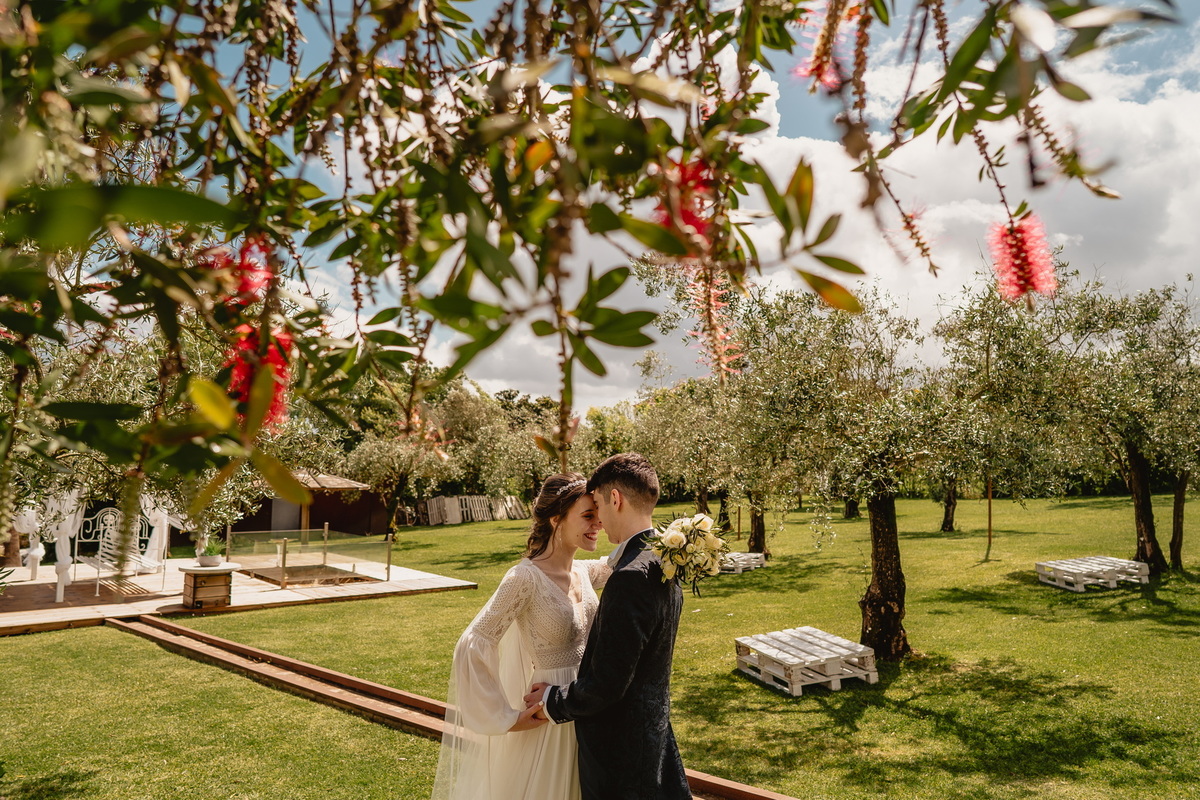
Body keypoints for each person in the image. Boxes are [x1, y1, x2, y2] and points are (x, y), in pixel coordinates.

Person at [430, 472, 610, 800]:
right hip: (549, 721)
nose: (598, 523)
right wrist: (508, 719)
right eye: (588, 515)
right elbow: (472, 644)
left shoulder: (583, 572)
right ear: (556, 519)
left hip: (587, 709)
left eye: (598, 514)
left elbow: (624, 561)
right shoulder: (524, 578)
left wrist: (679, 542)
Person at [525, 453, 691, 799]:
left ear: (615, 499)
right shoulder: (664, 559)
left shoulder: (630, 577)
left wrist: (552, 700)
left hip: (620, 757)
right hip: (653, 738)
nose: (598, 518)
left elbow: (607, 683)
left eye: (598, 504)